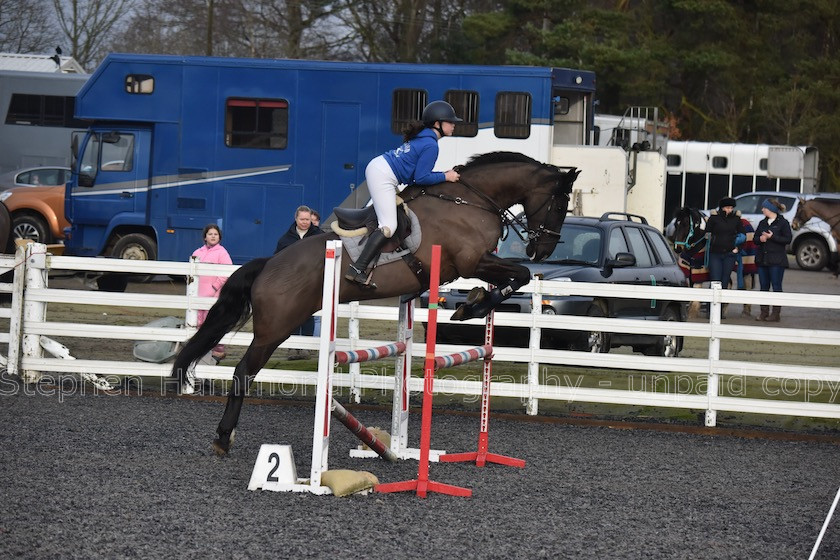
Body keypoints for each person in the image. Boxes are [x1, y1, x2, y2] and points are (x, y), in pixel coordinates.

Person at [345, 100, 462, 286]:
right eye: (450, 121)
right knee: (389, 225)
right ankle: (358, 268)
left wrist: (442, 175)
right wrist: (446, 177)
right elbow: (421, 178)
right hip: (383, 175)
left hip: (381, 169)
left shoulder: (425, 138)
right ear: (437, 124)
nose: (454, 124)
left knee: (399, 214)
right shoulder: (431, 145)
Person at [275, 205, 323, 358]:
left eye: (307, 219)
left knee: (308, 314)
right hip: (292, 284)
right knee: (291, 314)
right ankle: (292, 346)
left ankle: (306, 347)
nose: (305, 222)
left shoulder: (319, 236)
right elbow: (277, 260)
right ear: (296, 219)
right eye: (302, 219)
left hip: (312, 283)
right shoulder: (285, 239)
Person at [191, 224, 233, 362]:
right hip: (198, 294)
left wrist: (214, 287)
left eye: (215, 234)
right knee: (198, 321)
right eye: (210, 234)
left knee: (214, 322)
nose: (213, 236)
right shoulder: (197, 253)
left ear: (219, 237)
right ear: (205, 237)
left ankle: (218, 350)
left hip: (214, 295)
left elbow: (226, 273)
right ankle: (199, 348)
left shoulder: (222, 253)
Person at [702, 196, 746, 317]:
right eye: (727, 207)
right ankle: (710, 310)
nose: (729, 210)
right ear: (722, 207)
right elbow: (707, 233)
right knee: (715, 281)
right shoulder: (714, 218)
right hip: (715, 253)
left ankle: (720, 311)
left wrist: (738, 249)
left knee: (725, 281)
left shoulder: (736, 220)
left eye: (731, 207)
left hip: (729, 255)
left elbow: (743, 235)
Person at [753, 197, 792, 322]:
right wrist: (760, 239)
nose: (762, 209)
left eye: (764, 208)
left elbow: (787, 239)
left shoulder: (783, 223)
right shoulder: (762, 223)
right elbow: (755, 238)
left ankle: (776, 314)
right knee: (763, 286)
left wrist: (772, 237)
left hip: (777, 261)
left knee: (776, 286)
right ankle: (764, 312)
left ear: (771, 209)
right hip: (762, 259)